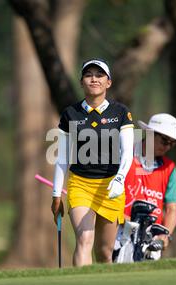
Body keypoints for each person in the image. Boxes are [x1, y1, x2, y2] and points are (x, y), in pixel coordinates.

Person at [51, 58, 134, 266]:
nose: (94, 79)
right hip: (80, 185)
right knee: (84, 239)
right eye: (88, 75)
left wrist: (120, 179)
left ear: (108, 82)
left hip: (111, 187)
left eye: (99, 75)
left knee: (105, 252)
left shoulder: (120, 113)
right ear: (81, 82)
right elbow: (62, 157)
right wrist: (56, 194)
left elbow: (127, 153)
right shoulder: (70, 114)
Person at [114, 113, 176, 260]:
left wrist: (165, 235)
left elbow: (172, 207)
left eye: (172, 144)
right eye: (165, 140)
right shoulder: (124, 155)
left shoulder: (169, 168)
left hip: (150, 238)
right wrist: (119, 215)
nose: (167, 147)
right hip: (120, 231)